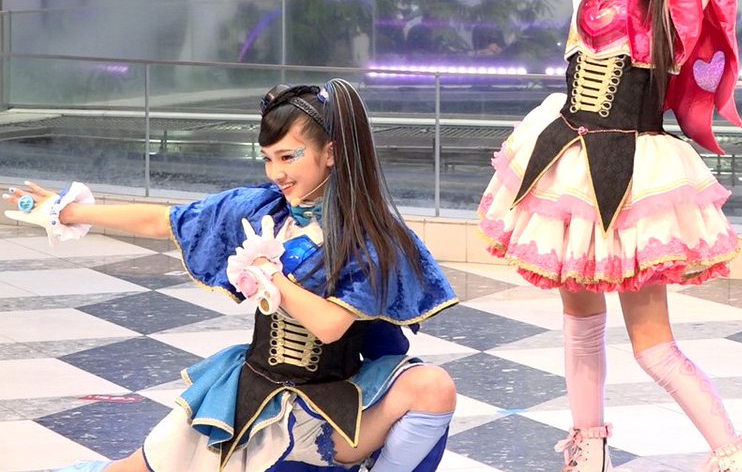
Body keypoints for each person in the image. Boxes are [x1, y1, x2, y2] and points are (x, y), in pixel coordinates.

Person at [476, 0, 742, 470]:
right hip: (566, 160)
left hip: (633, 171)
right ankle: (589, 447)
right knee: (579, 327)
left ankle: (732, 454)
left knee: (653, 345)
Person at [4, 79, 458, 472]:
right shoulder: (262, 209)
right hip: (255, 394)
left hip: (337, 402)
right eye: (268, 159)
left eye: (288, 157)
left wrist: (272, 278)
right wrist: (66, 211)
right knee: (131, 469)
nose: (277, 173)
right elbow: (165, 220)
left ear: (331, 154)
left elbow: (329, 325)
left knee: (434, 387)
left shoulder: (369, 235)